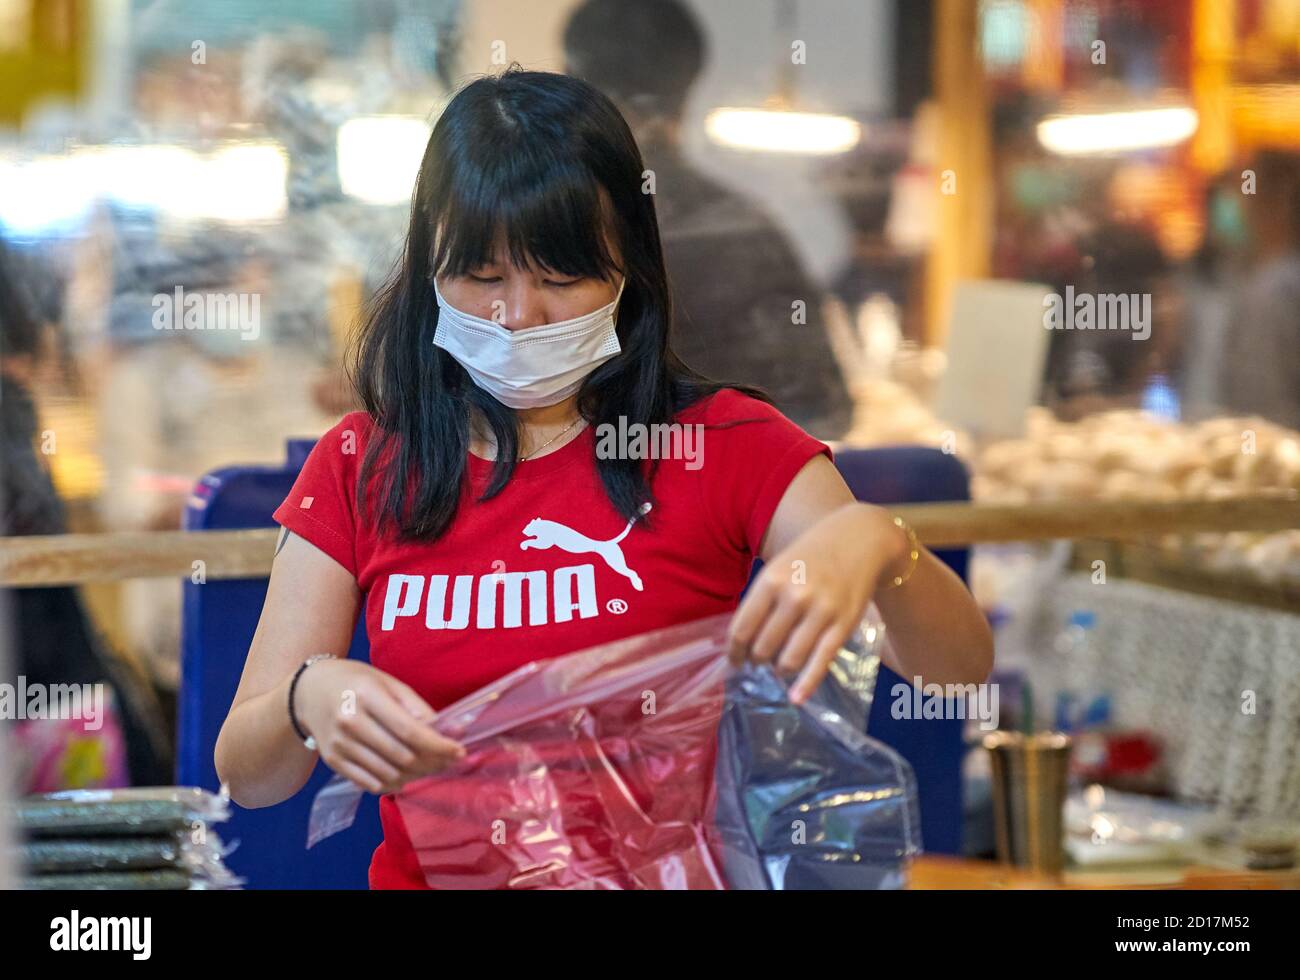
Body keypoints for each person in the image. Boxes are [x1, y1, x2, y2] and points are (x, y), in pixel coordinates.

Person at [214, 68, 992, 889]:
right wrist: (308, 697)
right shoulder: (362, 464)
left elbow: (955, 674)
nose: (517, 314)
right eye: (480, 276)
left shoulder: (725, 446)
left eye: (558, 278)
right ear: (426, 268)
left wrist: (878, 543)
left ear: (628, 269)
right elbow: (249, 776)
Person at [562, 0, 855, 439]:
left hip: (588, 499)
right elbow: (826, 412)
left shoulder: (540, 229)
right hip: (739, 495)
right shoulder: (748, 231)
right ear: (690, 90)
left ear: (571, 86)